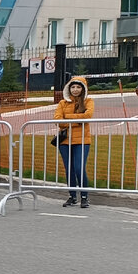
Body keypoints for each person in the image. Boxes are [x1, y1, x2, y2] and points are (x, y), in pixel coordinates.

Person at [54, 74, 94, 208]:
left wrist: (68, 118)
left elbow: (87, 116)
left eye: (78, 87)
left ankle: (84, 196)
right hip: (65, 142)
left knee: (79, 167)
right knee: (69, 169)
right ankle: (72, 196)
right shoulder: (62, 103)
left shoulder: (88, 101)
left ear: (83, 89)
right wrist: (77, 121)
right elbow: (58, 120)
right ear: (68, 88)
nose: (75, 90)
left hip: (82, 140)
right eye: (73, 87)